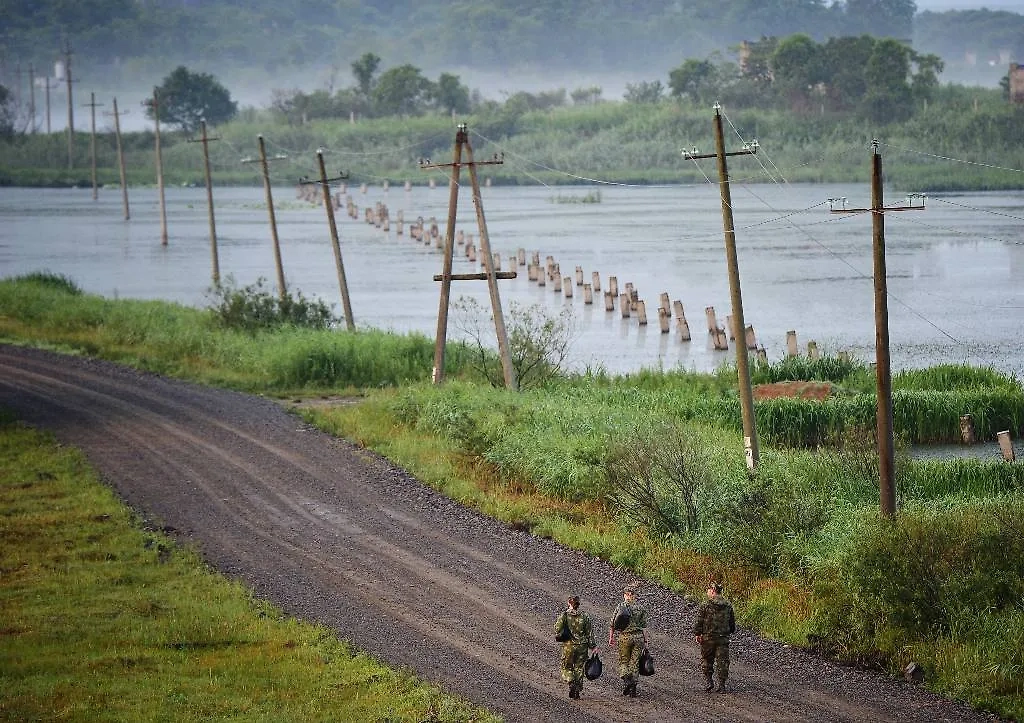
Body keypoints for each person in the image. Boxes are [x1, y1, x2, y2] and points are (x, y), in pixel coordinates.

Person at [693, 581, 736, 692]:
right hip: (723, 639)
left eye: (708, 590)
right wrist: (728, 632)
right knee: (723, 662)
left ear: (712, 591)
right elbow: (732, 624)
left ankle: (709, 681)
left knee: (707, 659)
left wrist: (697, 633)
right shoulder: (728, 606)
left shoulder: (705, 605)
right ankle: (721, 685)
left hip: (708, 638)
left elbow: (699, 621)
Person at [608, 581, 647, 697]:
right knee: (634, 663)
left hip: (625, 637)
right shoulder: (640, 608)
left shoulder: (621, 606)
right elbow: (644, 627)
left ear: (625, 594)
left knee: (624, 661)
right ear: (634, 595)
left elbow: (613, 624)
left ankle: (627, 681)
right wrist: (645, 641)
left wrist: (611, 637)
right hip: (638, 637)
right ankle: (633, 688)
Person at [555, 594, 597, 699]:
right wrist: (593, 646)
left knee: (566, 667)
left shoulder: (564, 615)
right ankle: (577, 691)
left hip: (569, 646)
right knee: (579, 668)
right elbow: (589, 633)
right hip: (582, 647)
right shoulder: (585, 616)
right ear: (578, 604)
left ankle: (571, 681)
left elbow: (557, 629)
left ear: (569, 603)